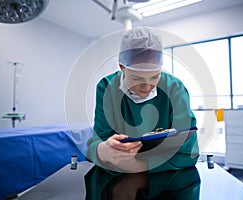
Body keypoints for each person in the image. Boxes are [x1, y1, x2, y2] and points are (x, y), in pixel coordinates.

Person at [85, 27, 200, 200]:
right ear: (122, 67)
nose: (147, 87)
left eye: (154, 77)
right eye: (137, 78)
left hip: (171, 183)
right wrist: (104, 151)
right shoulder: (106, 87)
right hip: (117, 176)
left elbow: (189, 149)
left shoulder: (174, 87)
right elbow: (97, 141)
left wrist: (139, 166)